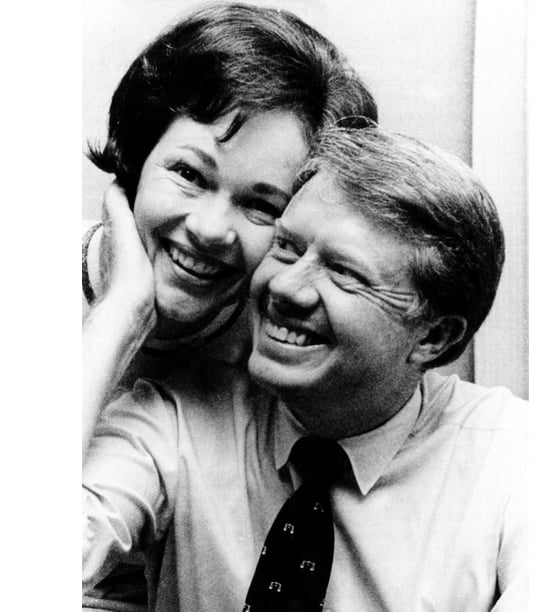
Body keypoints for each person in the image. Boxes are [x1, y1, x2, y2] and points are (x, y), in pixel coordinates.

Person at [83, 125, 527, 611]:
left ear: (434, 337)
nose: (286, 288)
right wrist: (119, 314)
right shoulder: (174, 419)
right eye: (288, 248)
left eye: (344, 273)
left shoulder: (518, 457)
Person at [82, 3, 376, 606]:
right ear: (134, 162)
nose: (213, 228)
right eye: (189, 173)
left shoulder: (277, 362)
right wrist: (119, 317)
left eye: (263, 206)